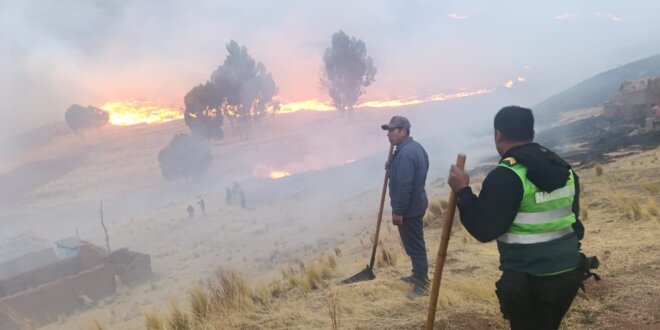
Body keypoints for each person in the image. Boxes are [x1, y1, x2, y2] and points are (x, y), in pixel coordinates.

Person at [448, 106, 586, 329]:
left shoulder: (507, 175)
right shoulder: (564, 169)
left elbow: (484, 229)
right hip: (568, 271)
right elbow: (572, 219)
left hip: (529, 279)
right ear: (531, 133)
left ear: (498, 135)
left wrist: (462, 191)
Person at [381, 115, 430, 299]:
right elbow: (421, 169)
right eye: (388, 130)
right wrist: (393, 166)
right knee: (414, 244)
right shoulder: (413, 148)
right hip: (416, 204)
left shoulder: (406, 153)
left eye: (392, 130)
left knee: (415, 247)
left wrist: (398, 211)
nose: (389, 134)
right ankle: (417, 275)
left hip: (408, 209)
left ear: (404, 131)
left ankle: (422, 285)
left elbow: (404, 185)